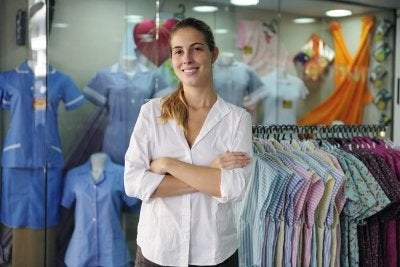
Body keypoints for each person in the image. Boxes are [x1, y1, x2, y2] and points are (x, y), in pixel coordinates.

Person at [124, 17, 253, 267]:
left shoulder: (237, 119)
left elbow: (236, 188)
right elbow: (133, 182)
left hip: (214, 253)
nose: (187, 59)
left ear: (213, 54)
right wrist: (211, 174)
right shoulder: (151, 113)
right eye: (178, 51)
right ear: (172, 59)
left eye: (196, 48)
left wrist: (168, 164)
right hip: (158, 250)